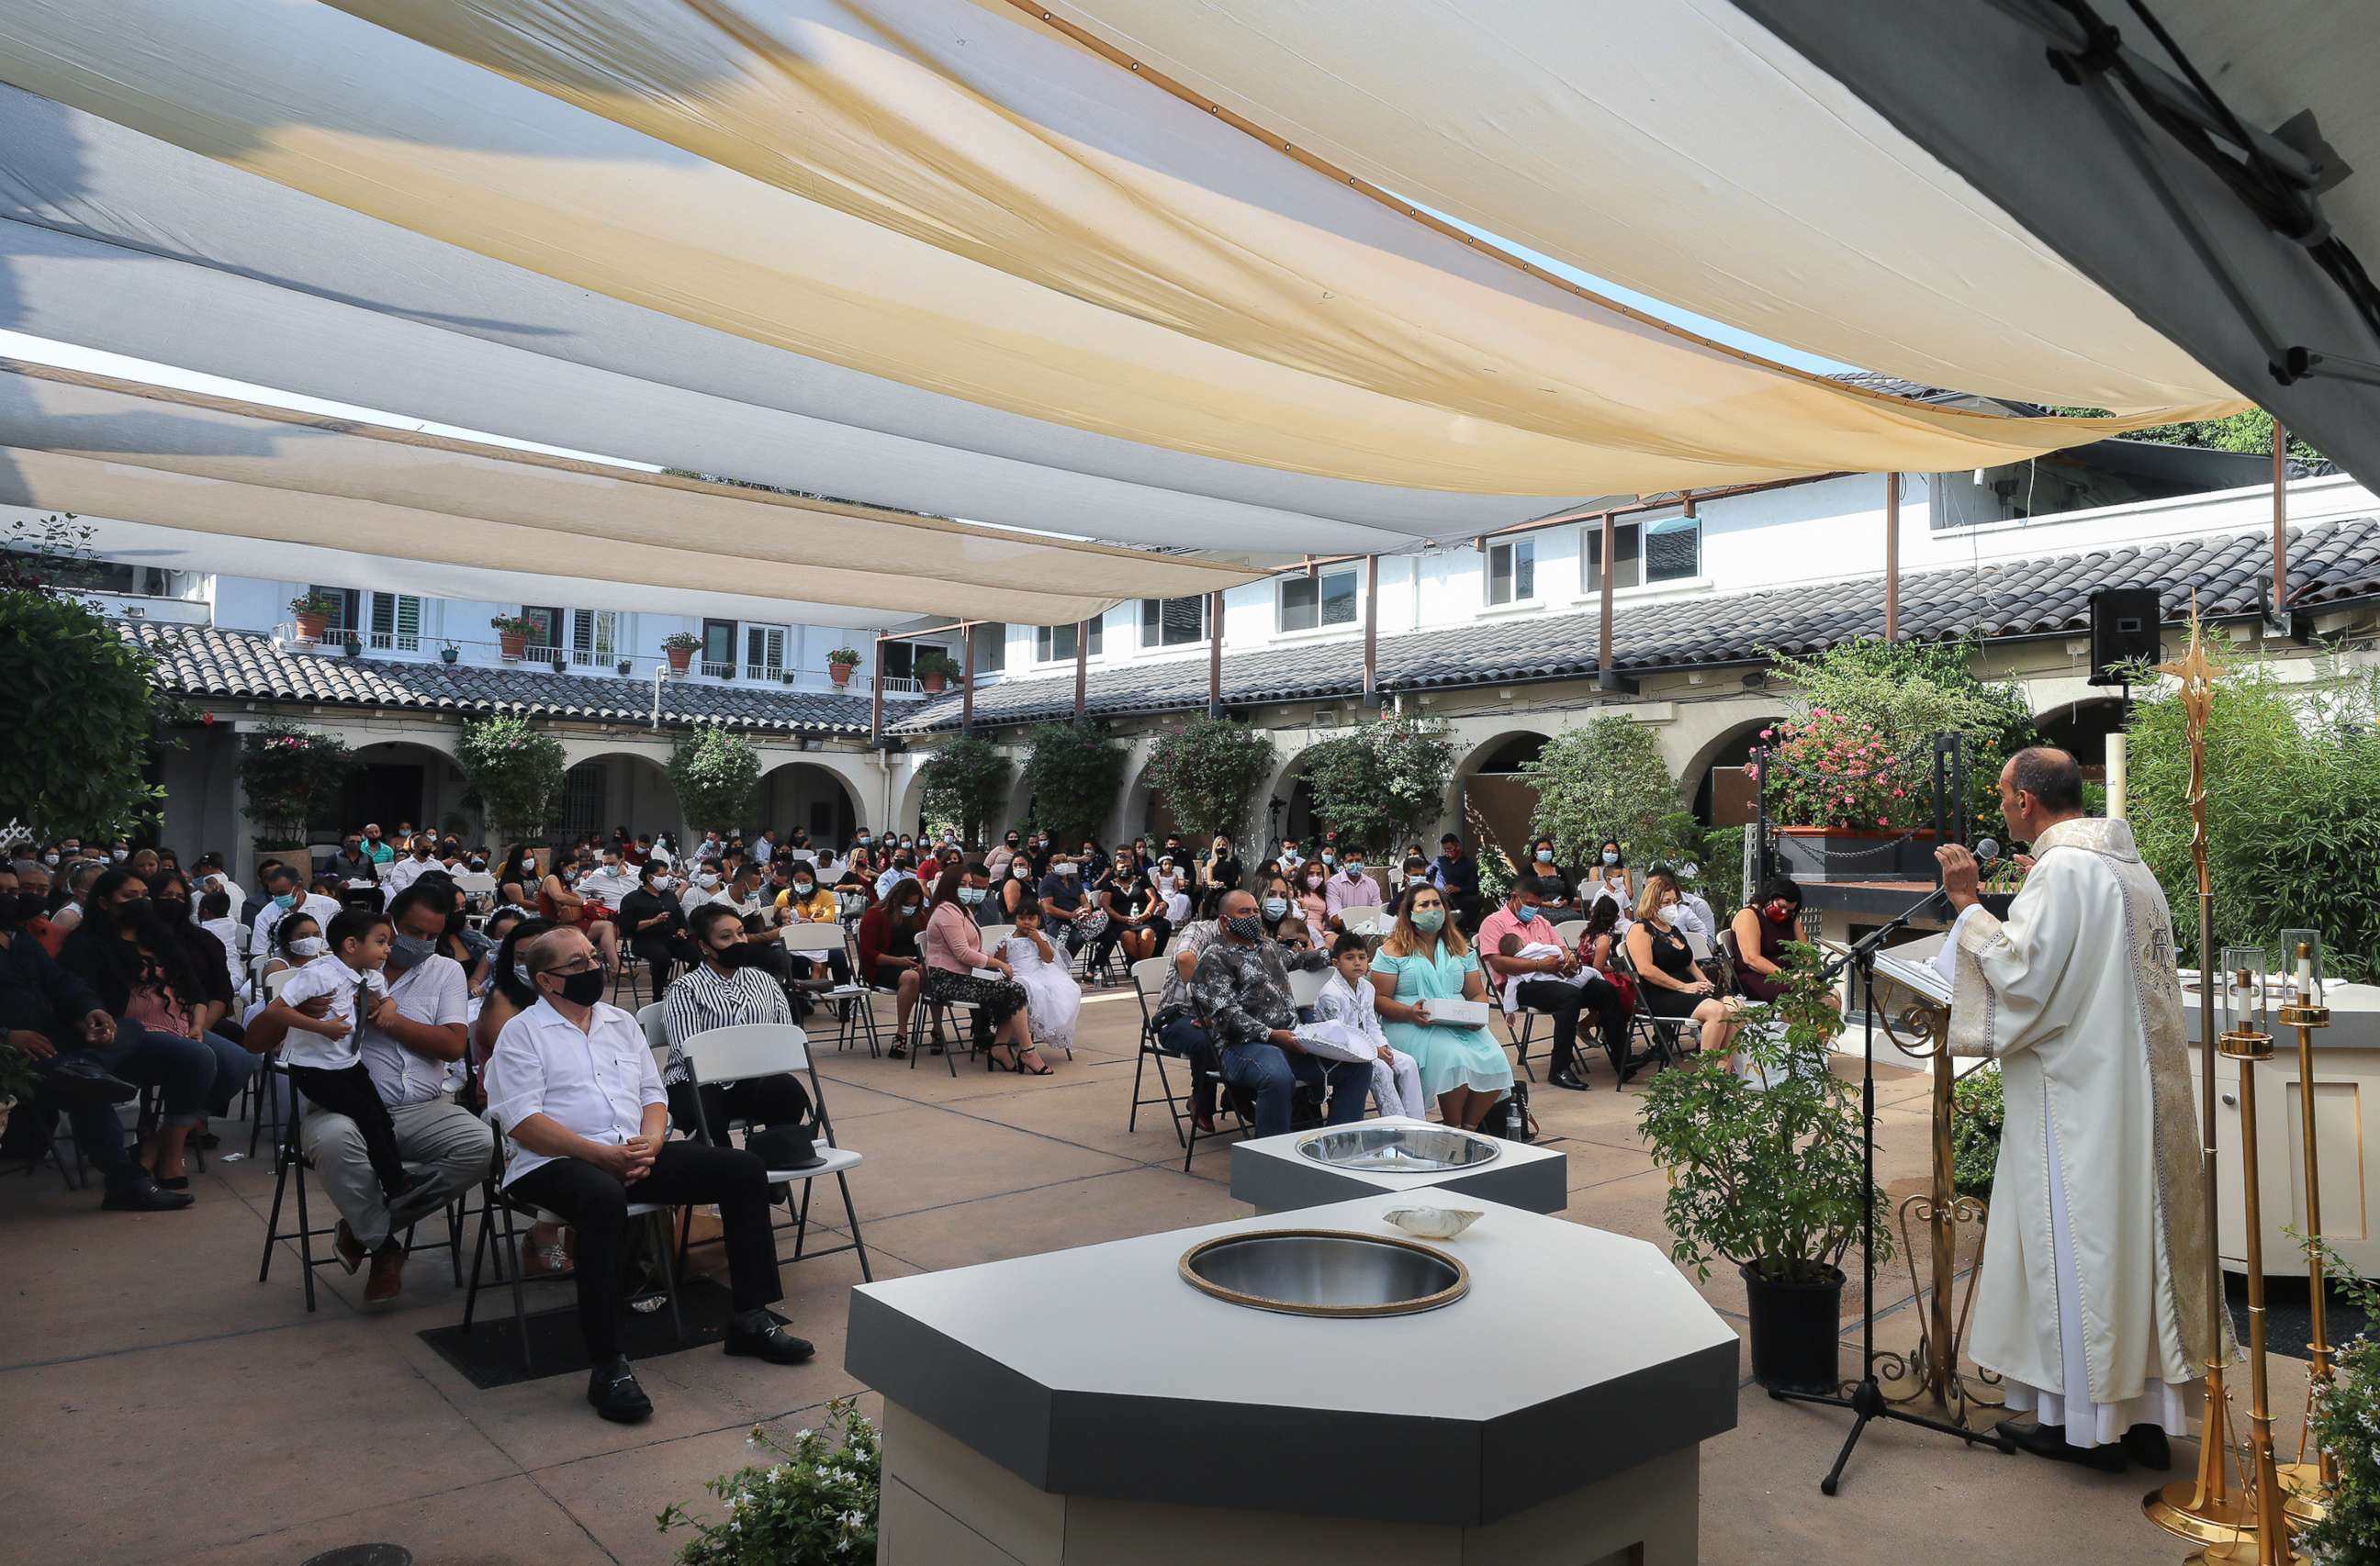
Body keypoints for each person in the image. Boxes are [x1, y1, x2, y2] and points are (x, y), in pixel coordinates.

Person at [1933, 746, 2214, 1471]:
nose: (1999, 806)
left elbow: (2023, 978)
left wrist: (1967, 908)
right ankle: (2147, 1419)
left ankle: (2085, 1429)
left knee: (2080, 1254)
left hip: (2078, 1102)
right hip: (2138, 1099)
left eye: (2002, 795)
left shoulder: (2062, 870)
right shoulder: (2132, 868)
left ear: (2026, 802)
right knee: (2132, 1253)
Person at [487, 927, 814, 1421]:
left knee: (744, 1170)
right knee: (601, 1200)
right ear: (547, 981)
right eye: (578, 964)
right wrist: (601, 1156)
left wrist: (653, 1141)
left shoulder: (620, 1022)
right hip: (555, 1161)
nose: (594, 968)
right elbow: (524, 1123)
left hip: (635, 1151)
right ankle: (608, 1365)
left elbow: (652, 1095)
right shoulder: (522, 1033)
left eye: (594, 957)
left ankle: (750, 1316)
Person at [249, 885, 488, 1300]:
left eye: (432, 936)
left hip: (426, 1105)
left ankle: (364, 1229)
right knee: (337, 1143)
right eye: (412, 932)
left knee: (483, 1145)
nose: (421, 944)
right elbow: (256, 1042)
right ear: (387, 923)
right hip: (341, 1104)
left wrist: (387, 1020)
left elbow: (453, 1045)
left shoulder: (443, 971)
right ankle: (384, 1246)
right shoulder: (323, 976)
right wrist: (299, 1017)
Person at [0, 862, 201, 1211]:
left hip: (53, 1043)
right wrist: (7, 1036)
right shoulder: (85, 941)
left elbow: (63, 984)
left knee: (128, 1029)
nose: (12, 899)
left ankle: (80, 1066)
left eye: (13, 892)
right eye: (4, 893)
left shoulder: (19, 942)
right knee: (85, 1090)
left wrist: (92, 1011)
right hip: (11, 1057)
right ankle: (125, 1183)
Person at [61, 868, 258, 1175]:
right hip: (128, 1034)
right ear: (104, 903)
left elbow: (195, 992)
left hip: (179, 1026)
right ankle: (171, 1158)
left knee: (240, 1062)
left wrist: (197, 1023)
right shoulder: (86, 944)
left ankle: (159, 1142)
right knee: (199, 1058)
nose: (140, 903)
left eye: (143, 896)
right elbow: (79, 997)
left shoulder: (160, 940)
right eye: (129, 897)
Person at [260, 909, 419, 1207]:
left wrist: (388, 1007)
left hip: (348, 1062)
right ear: (351, 945)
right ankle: (392, 1183)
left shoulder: (369, 975)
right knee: (366, 1115)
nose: (388, 950)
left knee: (380, 1115)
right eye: (381, 942)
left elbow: (386, 997)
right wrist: (323, 1027)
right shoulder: (319, 974)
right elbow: (276, 1010)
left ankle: (397, 1175)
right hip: (313, 1067)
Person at [1188, 889, 1368, 1136]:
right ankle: (1273, 1158)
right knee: (1278, 1076)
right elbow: (1227, 1016)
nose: (1253, 917)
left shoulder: (1268, 947)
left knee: (1357, 1066)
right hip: (1242, 1048)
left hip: (1292, 1040)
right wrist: (1273, 1035)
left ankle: (1340, 1146)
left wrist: (1341, 956)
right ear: (1224, 921)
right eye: (1244, 912)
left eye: (1255, 911)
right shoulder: (1215, 957)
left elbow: (1300, 960)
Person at [657, 904, 813, 1142]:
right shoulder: (685, 989)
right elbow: (686, 1050)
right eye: (726, 937)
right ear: (704, 946)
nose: (738, 942)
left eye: (741, 933)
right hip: (696, 1080)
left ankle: (775, 1162)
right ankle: (728, 1172)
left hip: (753, 1076)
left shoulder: (764, 981)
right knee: (708, 1109)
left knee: (787, 1091)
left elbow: (785, 1034)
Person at [1367, 882, 1513, 1130]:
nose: (1432, 909)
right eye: (1424, 904)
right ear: (1410, 912)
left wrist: (1477, 1013)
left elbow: (1476, 992)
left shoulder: (1459, 948)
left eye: (1437, 904)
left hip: (1458, 1020)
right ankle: (1453, 1128)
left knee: (1496, 1060)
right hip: (1410, 1022)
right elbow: (1379, 998)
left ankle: (1470, 1128)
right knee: (1454, 1060)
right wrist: (1409, 1013)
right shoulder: (1392, 950)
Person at [1478, 876, 1627, 1091]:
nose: (1534, 910)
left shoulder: (1541, 922)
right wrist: (1538, 965)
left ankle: (1623, 1060)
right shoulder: (1494, 923)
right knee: (1569, 995)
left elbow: (1562, 948)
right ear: (1514, 898)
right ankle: (1560, 1069)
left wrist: (1569, 960)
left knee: (1605, 989)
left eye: (1537, 906)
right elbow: (1498, 963)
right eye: (1529, 905)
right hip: (1520, 985)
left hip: (1554, 976)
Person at [921, 863, 1050, 1074]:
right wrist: (999, 964)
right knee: (1014, 990)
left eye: (970, 884)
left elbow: (977, 948)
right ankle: (1026, 1051)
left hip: (964, 975)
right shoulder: (946, 912)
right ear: (950, 885)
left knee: (1016, 987)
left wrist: (995, 964)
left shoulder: (962, 910)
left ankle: (1000, 1046)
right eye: (962, 884)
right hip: (946, 980)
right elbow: (963, 953)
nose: (968, 888)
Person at [1302, 931, 1426, 1120]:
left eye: (1362, 957)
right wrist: (1374, 1051)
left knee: (1408, 1063)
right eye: (1349, 958)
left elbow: (1372, 1023)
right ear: (1336, 963)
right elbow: (1341, 1037)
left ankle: (1417, 1123)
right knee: (1381, 1069)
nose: (1357, 963)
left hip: (1371, 1047)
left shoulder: (1367, 988)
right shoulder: (1331, 993)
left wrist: (1382, 1045)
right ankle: (1396, 1124)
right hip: (1341, 1052)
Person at [1623, 876, 1742, 1064]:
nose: (1672, 907)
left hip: (1689, 988)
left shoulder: (1673, 930)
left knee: (1737, 1009)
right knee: (1716, 1012)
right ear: (1652, 903)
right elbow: (1645, 970)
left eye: (1674, 902)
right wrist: (1683, 987)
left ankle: (1723, 1068)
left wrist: (1705, 983)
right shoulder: (1640, 929)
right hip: (1662, 993)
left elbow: (1690, 964)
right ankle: (1707, 1074)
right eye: (1666, 902)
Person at [1001, 905, 1082, 1056]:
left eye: (1031, 919)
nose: (1026, 922)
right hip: (1019, 974)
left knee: (1067, 989)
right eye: (1022, 918)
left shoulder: (1040, 937)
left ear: (1038, 921)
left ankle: (1053, 1026)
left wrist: (1038, 941)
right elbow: (1000, 963)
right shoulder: (1008, 940)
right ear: (1015, 919)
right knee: (1032, 989)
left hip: (1040, 972)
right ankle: (1022, 1033)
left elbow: (1048, 958)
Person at [618, 859, 700, 990]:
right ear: (650, 877)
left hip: (670, 939)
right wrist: (652, 921)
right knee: (663, 958)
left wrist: (682, 930)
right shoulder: (632, 899)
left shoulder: (670, 896)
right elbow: (626, 927)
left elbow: (680, 919)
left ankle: (683, 986)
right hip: (644, 941)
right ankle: (658, 995)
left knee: (698, 956)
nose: (666, 878)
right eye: (662, 875)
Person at [1731, 876, 1807, 1003]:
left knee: (1831, 996)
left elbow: (1805, 953)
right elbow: (1752, 959)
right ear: (1769, 898)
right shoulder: (1748, 915)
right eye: (1781, 906)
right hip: (1756, 977)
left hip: (1791, 977)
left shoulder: (1791, 919)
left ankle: (1822, 1024)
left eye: (1789, 910)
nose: (1784, 913)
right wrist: (1787, 977)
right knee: (1796, 996)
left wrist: (1808, 972)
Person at [1036, 853, 1101, 961]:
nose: (1061, 864)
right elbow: (1048, 908)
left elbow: (1084, 901)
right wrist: (1071, 915)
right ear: (1050, 865)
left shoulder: (1074, 881)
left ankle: (1093, 970)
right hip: (1058, 924)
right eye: (1057, 862)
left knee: (1109, 935)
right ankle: (1063, 967)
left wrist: (1087, 909)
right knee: (1077, 939)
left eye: (1064, 861)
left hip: (1079, 922)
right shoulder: (1046, 883)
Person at [1430, 833, 1484, 934]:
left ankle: (1459, 928)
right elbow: (1426, 873)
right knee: (1438, 896)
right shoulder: (1440, 861)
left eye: (1449, 849)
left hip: (1458, 898)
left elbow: (1474, 887)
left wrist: (1458, 889)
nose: (1447, 852)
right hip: (1439, 896)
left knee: (1478, 901)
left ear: (1457, 846)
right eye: (1445, 850)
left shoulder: (1468, 864)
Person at [1324, 850, 1382, 928]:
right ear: (1343, 862)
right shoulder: (1333, 884)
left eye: (1358, 860)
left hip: (1368, 929)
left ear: (1363, 861)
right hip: (1342, 930)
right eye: (1350, 861)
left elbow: (1377, 912)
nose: (1355, 864)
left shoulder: (1372, 884)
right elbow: (1335, 918)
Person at [1197, 833, 1243, 920]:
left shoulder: (1233, 860)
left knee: (1220, 898)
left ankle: (1222, 920)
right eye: (1218, 845)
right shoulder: (1211, 862)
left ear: (1227, 846)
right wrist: (1215, 883)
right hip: (1216, 886)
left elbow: (1234, 878)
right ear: (1215, 847)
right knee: (1208, 896)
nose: (1221, 847)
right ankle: (1205, 920)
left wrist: (1224, 883)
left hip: (1229, 886)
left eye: (1223, 845)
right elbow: (1209, 880)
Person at [1587, 841, 1634, 919]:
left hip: (1622, 907)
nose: (1611, 854)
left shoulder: (1624, 870)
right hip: (1603, 909)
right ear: (1602, 853)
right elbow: (1596, 892)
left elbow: (1629, 894)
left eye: (1614, 852)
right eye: (1607, 851)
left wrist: (1619, 895)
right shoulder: (1595, 870)